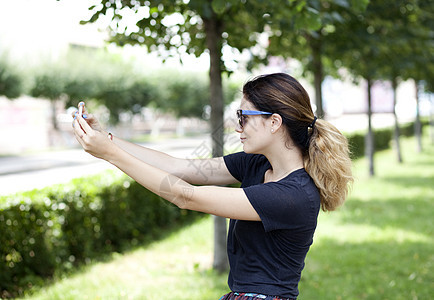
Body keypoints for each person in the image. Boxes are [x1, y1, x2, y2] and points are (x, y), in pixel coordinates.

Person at [72, 73, 353, 300]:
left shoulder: (293, 195)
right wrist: (106, 139)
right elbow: (179, 168)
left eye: (244, 117)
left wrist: (108, 154)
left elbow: (185, 196)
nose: (237, 127)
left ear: (274, 122)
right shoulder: (256, 164)